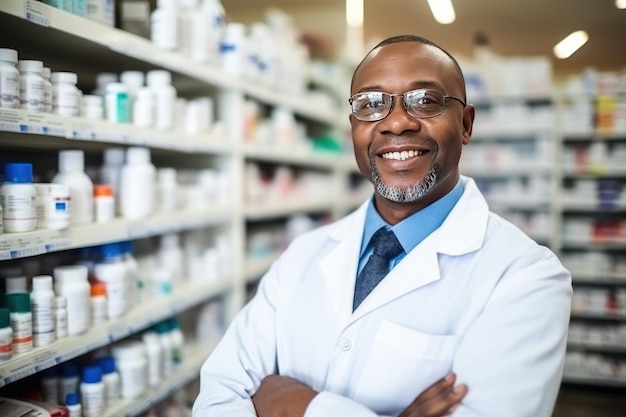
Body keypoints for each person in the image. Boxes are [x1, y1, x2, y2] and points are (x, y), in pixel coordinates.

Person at [192, 34, 573, 417]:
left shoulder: (525, 277)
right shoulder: (303, 254)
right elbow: (218, 397)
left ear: (466, 124)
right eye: (371, 104)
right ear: (353, 127)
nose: (396, 123)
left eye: (425, 100)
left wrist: (302, 407)